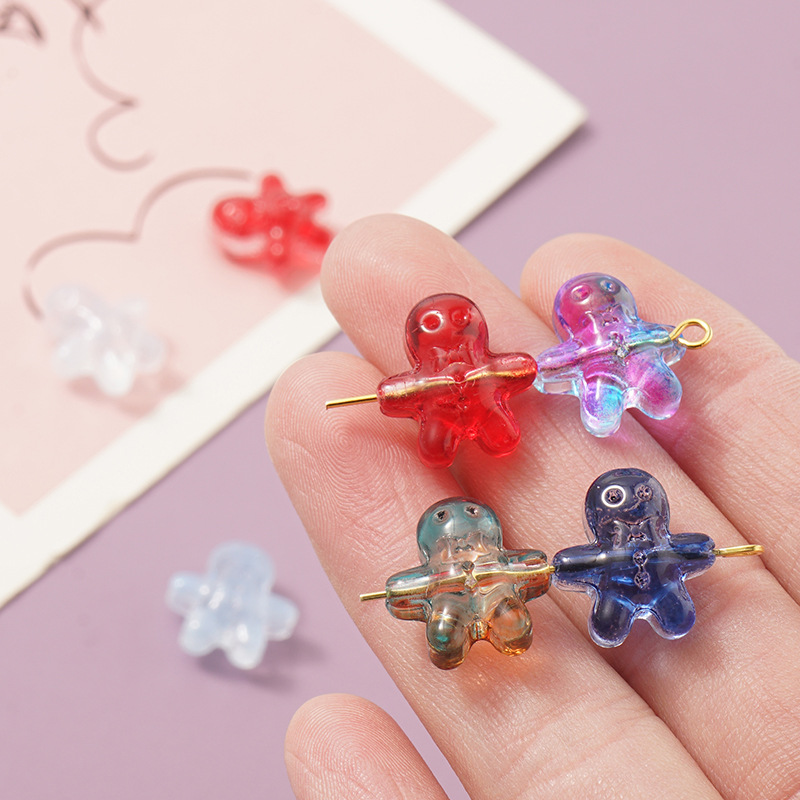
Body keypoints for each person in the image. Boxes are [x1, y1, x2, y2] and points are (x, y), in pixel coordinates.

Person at [265, 214, 800, 799]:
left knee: (607, 414)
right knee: (449, 469)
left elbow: (524, 369)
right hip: (462, 520)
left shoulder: (615, 350)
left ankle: (529, 610)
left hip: (576, 427)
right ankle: (457, 627)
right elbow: (542, 556)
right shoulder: (455, 523)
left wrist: (652, 343)